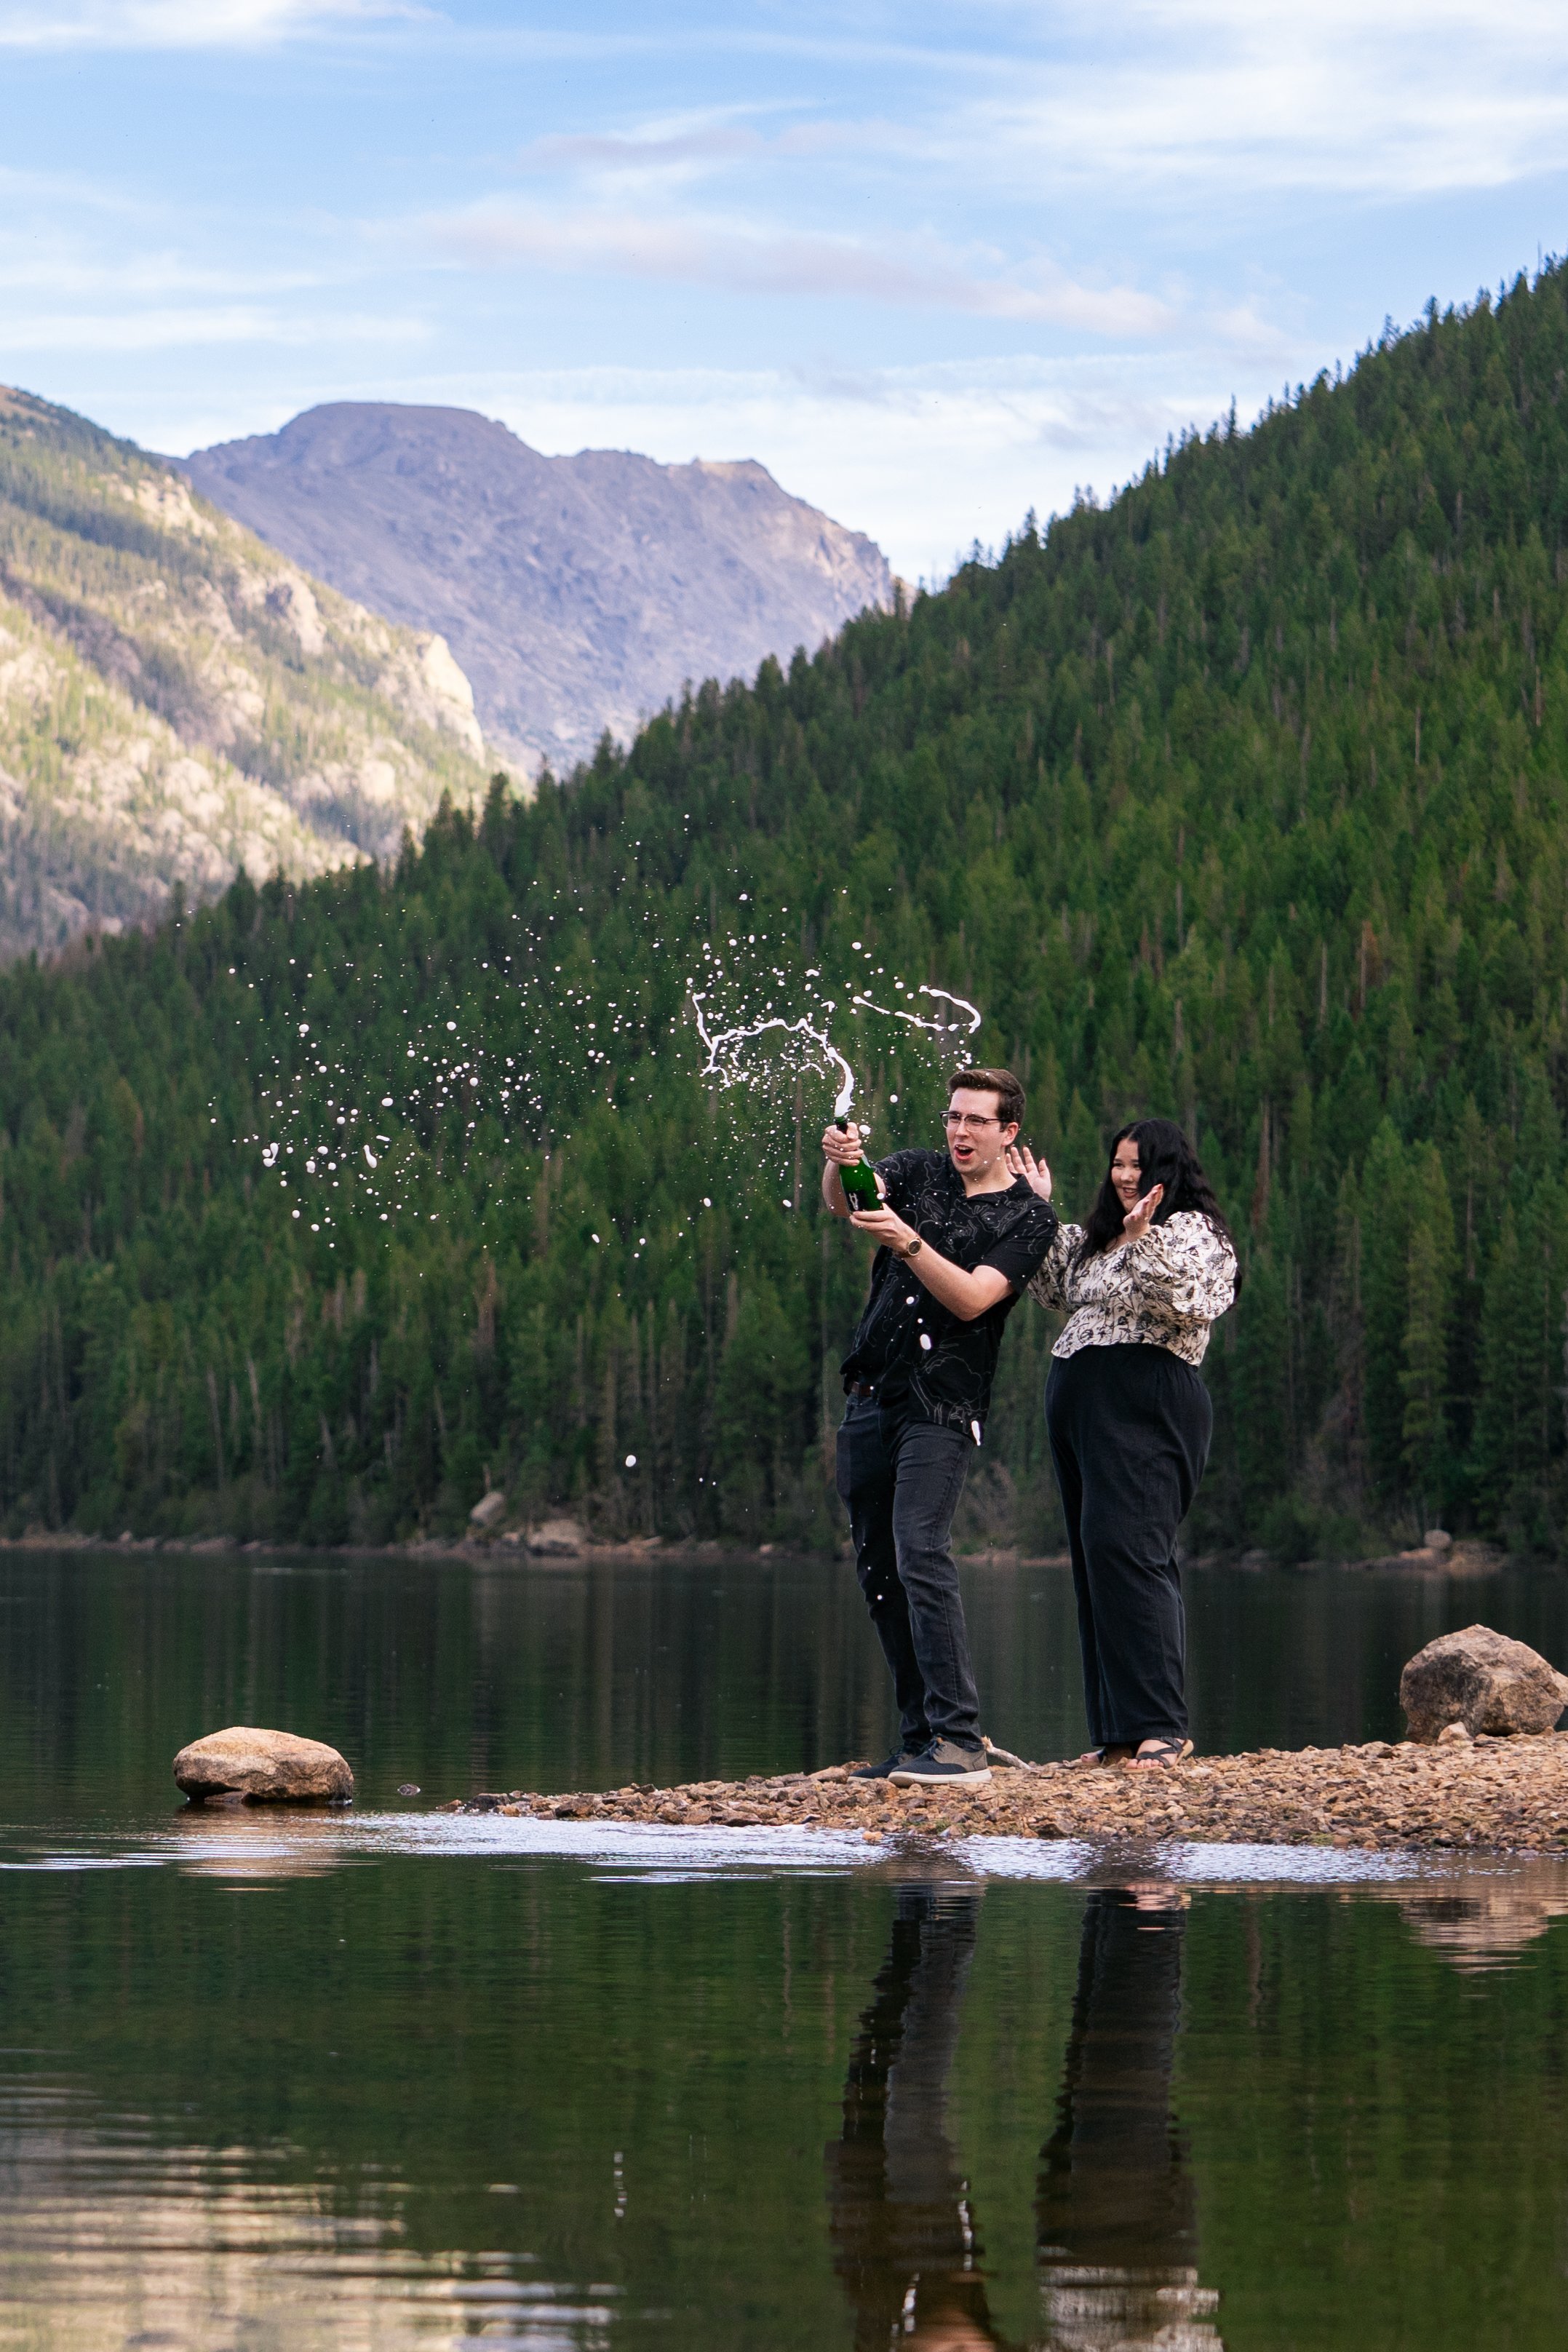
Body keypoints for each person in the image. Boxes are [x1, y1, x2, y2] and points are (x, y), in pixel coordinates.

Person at [824, 1067, 1058, 1789]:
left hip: (944, 1407)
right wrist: (841, 1163)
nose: (959, 1131)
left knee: (920, 1549)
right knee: (880, 1569)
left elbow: (972, 1300)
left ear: (1008, 1131)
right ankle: (919, 1736)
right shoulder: (919, 1170)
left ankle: (959, 1741)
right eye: (954, 1117)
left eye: (977, 1121)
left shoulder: (1028, 1218)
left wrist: (907, 1243)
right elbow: (845, 1203)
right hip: (870, 1393)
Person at [1010, 1119, 1237, 1768]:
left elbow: (1195, 1301)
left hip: (1148, 1399)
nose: (1125, 1174)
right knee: (1096, 1558)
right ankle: (1116, 1733)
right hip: (1081, 1403)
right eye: (1117, 1163)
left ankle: (1162, 1727)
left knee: (1132, 1549)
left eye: (1138, 1163)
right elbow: (1051, 1287)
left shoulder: (1193, 1232)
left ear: (1169, 1168)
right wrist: (1035, 1207)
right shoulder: (1097, 1239)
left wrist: (1141, 1243)